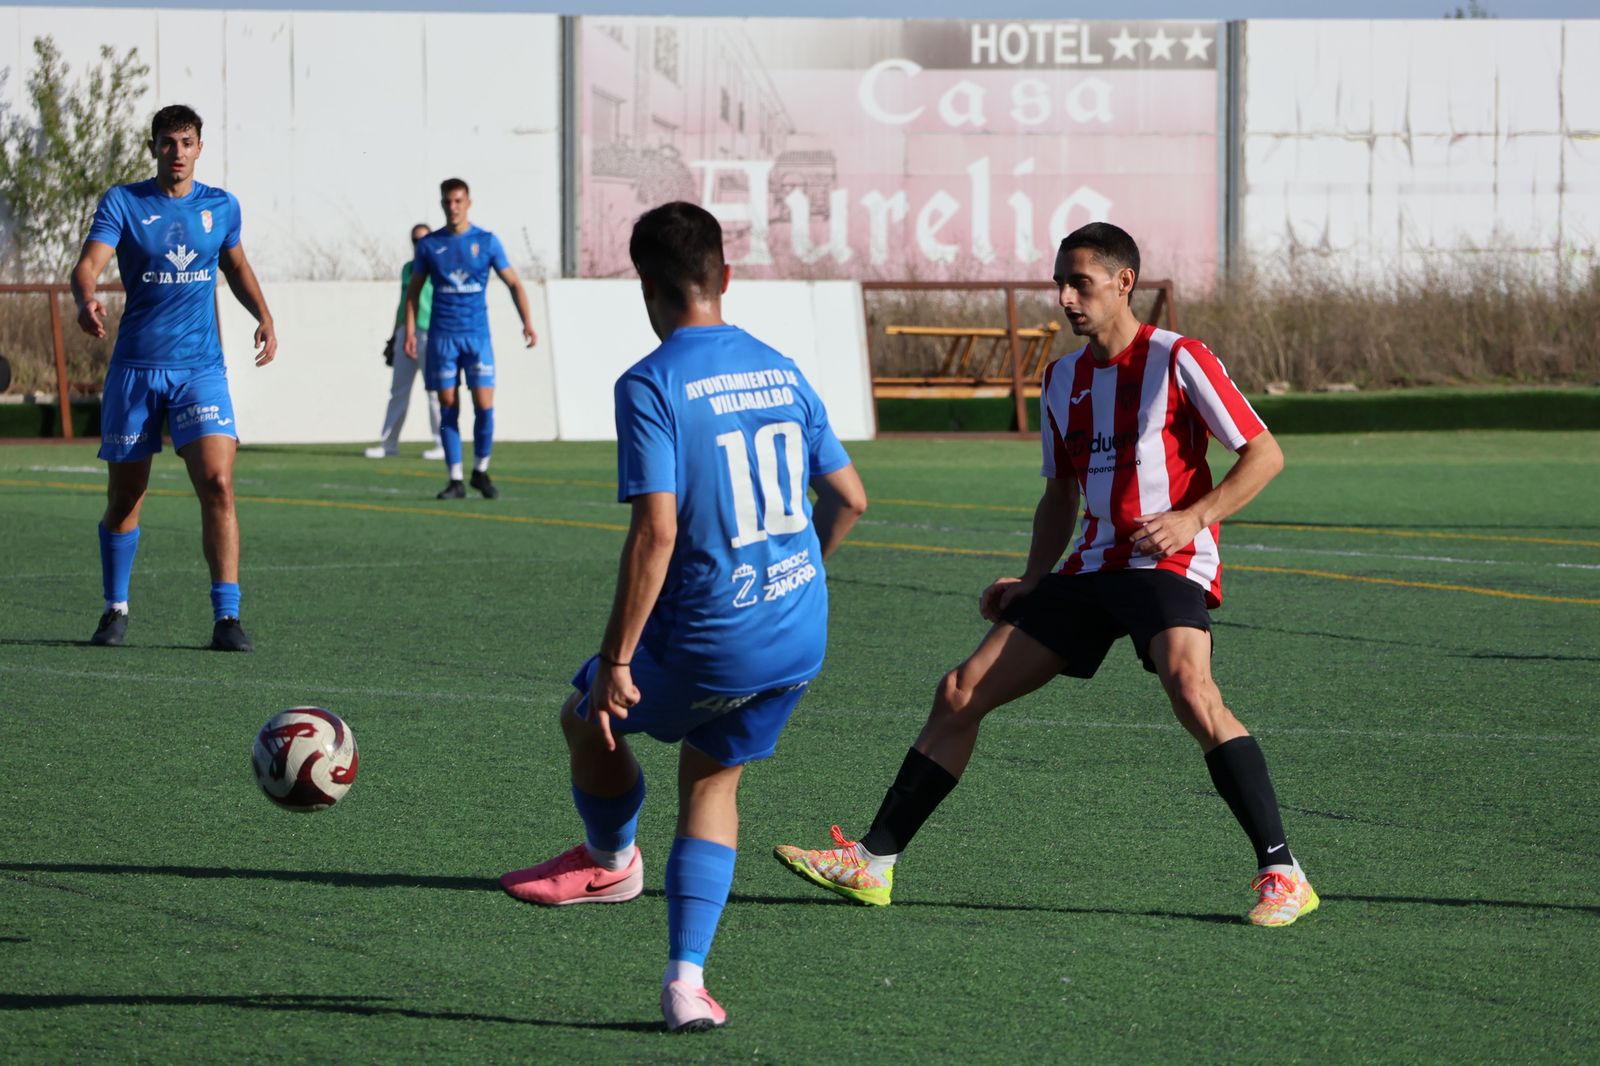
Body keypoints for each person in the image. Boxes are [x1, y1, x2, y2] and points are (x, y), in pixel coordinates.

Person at [775, 222, 1319, 928]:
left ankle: (1282, 871)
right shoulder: (1062, 378)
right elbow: (1060, 493)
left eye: (1080, 283)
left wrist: (1194, 517)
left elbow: (1264, 454)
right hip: (1087, 567)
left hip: (1166, 559)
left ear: (1125, 284)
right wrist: (1035, 577)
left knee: (1192, 692)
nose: (1064, 297)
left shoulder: (1179, 358)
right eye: (1060, 283)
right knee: (960, 690)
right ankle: (873, 862)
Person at [498, 202, 868, 1032]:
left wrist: (618, 659)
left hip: (713, 639)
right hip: (801, 629)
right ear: (723, 278)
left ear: (648, 288)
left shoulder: (651, 382)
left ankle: (610, 861)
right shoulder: (780, 367)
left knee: (587, 714)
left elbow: (656, 532)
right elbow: (849, 498)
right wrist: (795, 571)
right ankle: (685, 984)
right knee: (710, 776)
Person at [72, 103, 276, 652]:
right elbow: (87, 265)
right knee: (127, 496)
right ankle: (115, 609)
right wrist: (86, 297)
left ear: (200, 148)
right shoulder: (125, 202)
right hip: (137, 370)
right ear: (154, 147)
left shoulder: (222, 206)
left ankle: (227, 618)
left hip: (200, 371)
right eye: (167, 142)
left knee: (217, 481)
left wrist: (264, 314)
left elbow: (235, 264)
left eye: (186, 142)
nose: (177, 153)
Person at [405, 178, 536, 499]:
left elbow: (514, 283)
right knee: (448, 404)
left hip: (477, 337)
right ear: (441, 204)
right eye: (447, 202)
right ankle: (455, 478)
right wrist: (409, 332)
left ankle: (480, 470)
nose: (453, 207)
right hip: (442, 337)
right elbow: (414, 291)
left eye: (458, 201)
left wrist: (527, 323)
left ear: (468, 203)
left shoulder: (487, 242)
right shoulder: (430, 245)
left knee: (484, 405)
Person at [364, 223, 445, 460]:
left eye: (424, 239)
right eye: (415, 240)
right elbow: (404, 304)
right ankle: (389, 443)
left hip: (430, 332)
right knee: (398, 390)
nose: (419, 244)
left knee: (434, 391)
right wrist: (395, 335)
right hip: (404, 334)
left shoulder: (438, 267)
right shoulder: (408, 269)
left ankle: (442, 444)